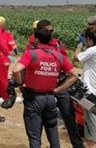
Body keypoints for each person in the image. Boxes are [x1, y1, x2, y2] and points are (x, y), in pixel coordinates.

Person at [12, 23, 79, 148]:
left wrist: (20, 83)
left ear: (36, 39)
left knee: (35, 137)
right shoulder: (58, 56)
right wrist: (58, 89)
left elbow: (16, 70)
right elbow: (74, 75)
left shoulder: (31, 53)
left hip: (34, 99)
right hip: (50, 98)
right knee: (52, 131)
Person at [33, 20, 85, 148]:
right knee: (40, 121)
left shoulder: (58, 44)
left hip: (60, 83)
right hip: (43, 87)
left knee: (68, 115)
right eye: (47, 31)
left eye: (51, 31)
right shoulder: (34, 45)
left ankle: (78, 145)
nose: (50, 33)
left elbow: (66, 63)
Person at [0, 16, 18, 96]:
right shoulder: (4, 34)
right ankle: (0, 92)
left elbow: (14, 47)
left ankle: (1, 92)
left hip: (1, 61)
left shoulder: (4, 34)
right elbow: (14, 48)